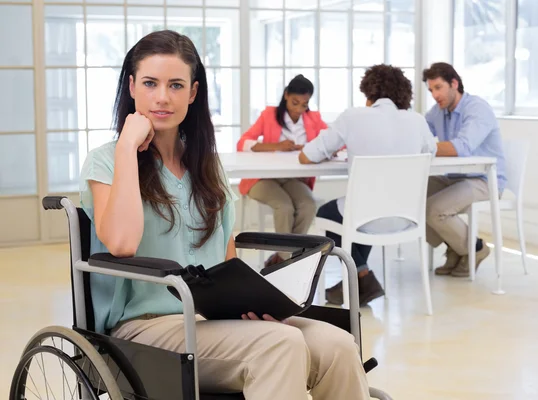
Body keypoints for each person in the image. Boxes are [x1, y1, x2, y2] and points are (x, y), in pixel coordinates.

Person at [79, 30, 370, 400]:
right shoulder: (106, 160)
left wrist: (251, 305)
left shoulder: (206, 166)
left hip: (212, 320)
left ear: (193, 93)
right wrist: (126, 146)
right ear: (132, 86)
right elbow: (121, 243)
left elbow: (225, 255)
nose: (163, 97)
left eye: (176, 85)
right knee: (278, 345)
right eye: (150, 83)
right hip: (143, 328)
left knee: (337, 344)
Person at [298, 64, 437, 307]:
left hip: (366, 217)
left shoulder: (353, 117)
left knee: (332, 213)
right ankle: (360, 279)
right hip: (407, 218)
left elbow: (307, 155)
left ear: (368, 92)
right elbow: (430, 153)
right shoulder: (417, 121)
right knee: (361, 210)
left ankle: (362, 276)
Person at [422, 62, 506, 277]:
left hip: (485, 180)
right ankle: (456, 247)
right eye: (431, 90)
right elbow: (420, 131)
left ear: (454, 83)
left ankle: (475, 249)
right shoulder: (438, 112)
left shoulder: (477, 108)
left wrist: (426, 146)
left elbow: (462, 147)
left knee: (434, 209)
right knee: (412, 196)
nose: (434, 94)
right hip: (455, 177)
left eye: (438, 87)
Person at [236, 75, 328, 268]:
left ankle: (284, 257)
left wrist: (314, 148)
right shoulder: (269, 115)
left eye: (304, 104)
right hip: (262, 178)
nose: (299, 108)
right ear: (286, 95)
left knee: (308, 205)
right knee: (284, 207)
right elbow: (243, 143)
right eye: (295, 102)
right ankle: (287, 264)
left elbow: (332, 142)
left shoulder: (313, 118)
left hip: (293, 178)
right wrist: (277, 145)